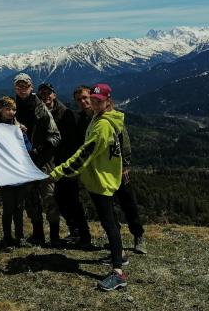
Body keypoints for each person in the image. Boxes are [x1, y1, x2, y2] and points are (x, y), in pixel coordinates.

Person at [50, 84, 127, 291]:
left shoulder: (102, 125)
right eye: (92, 100)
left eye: (98, 101)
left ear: (108, 101)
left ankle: (118, 272)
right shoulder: (99, 118)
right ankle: (119, 254)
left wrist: (58, 171)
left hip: (102, 181)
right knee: (109, 219)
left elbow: (85, 153)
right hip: (101, 177)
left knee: (109, 223)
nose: (93, 103)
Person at [74, 85, 147, 255]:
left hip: (117, 168)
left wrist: (125, 165)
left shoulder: (107, 116)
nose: (84, 102)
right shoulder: (82, 120)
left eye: (86, 98)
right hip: (100, 171)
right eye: (80, 99)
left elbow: (124, 141)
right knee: (109, 208)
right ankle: (117, 242)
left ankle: (138, 236)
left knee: (127, 201)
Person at [37, 82, 91, 247]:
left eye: (49, 93)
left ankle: (84, 235)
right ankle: (75, 231)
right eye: (42, 94)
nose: (46, 96)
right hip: (53, 163)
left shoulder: (66, 114)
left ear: (54, 95)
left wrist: (75, 163)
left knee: (72, 200)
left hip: (67, 163)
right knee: (61, 199)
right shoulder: (40, 112)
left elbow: (78, 138)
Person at [13, 73, 61, 246]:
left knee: (49, 197)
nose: (22, 89)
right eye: (19, 86)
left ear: (31, 87)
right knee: (31, 199)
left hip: (43, 162)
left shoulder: (40, 107)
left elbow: (56, 135)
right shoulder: (11, 107)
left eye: (25, 86)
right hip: (23, 162)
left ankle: (55, 237)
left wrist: (40, 150)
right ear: (15, 88)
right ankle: (38, 234)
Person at [0, 96, 32, 251]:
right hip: (4, 175)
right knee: (8, 208)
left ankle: (19, 237)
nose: (11, 112)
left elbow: (28, 148)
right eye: (7, 108)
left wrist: (22, 135)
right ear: (1, 110)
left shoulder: (19, 128)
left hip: (19, 175)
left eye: (13, 109)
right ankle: (7, 238)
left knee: (19, 207)